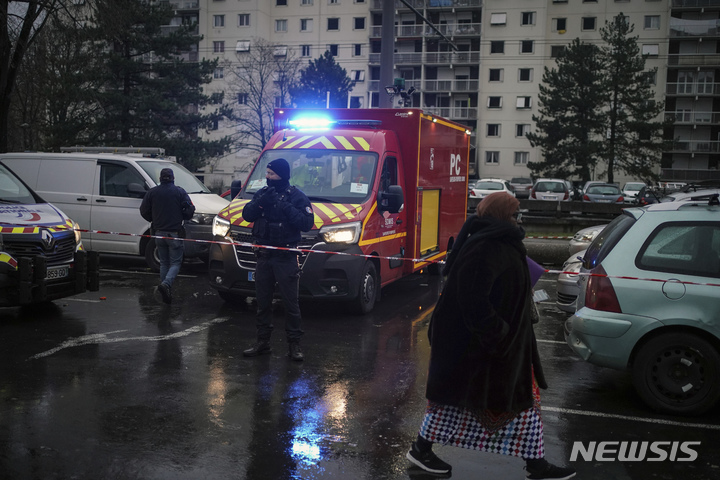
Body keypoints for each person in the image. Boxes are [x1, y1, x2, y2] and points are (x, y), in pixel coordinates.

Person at [406, 192, 576, 480]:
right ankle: (422, 450)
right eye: (514, 213)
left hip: (494, 350)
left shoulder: (498, 241)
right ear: (500, 216)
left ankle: (535, 464)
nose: (518, 218)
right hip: (486, 351)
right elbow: (473, 299)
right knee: (507, 406)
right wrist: (500, 336)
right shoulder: (487, 246)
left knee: (498, 406)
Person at [241, 158, 314, 361]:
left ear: (282, 175)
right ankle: (262, 342)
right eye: (267, 173)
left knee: (291, 304)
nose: (267, 177)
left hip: (286, 257)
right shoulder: (264, 193)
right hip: (264, 257)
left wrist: (285, 208)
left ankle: (294, 345)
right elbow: (246, 214)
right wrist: (259, 203)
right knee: (263, 303)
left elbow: (307, 223)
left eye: (271, 174)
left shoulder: (296, 197)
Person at [140, 167, 195, 304]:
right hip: (174, 233)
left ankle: (166, 291)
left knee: (164, 262)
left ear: (160, 178)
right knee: (176, 263)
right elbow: (190, 209)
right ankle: (166, 285)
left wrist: (153, 219)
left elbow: (143, 210)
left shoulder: (152, 192)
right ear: (173, 178)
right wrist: (183, 216)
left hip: (158, 233)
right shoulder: (179, 192)